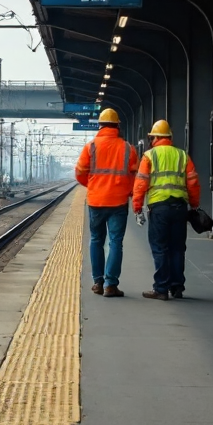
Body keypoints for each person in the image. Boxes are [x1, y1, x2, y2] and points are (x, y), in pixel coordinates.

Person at [132, 120, 201, 300]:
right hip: (179, 207)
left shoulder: (149, 156)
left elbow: (140, 184)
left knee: (160, 247)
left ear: (155, 137)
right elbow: (193, 182)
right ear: (169, 137)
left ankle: (161, 288)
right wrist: (194, 204)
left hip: (159, 207)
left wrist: (137, 207)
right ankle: (177, 287)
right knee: (177, 248)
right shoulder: (182, 155)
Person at [74, 108, 138, 298]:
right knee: (115, 241)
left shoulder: (90, 147)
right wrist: (126, 190)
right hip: (118, 201)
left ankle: (98, 282)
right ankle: (111, 285)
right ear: (117, 125)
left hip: (96, 200)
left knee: (96, 240)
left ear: (100, 125)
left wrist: (93, 185)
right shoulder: (128, 148)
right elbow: (134, 175)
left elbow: (79, 172)